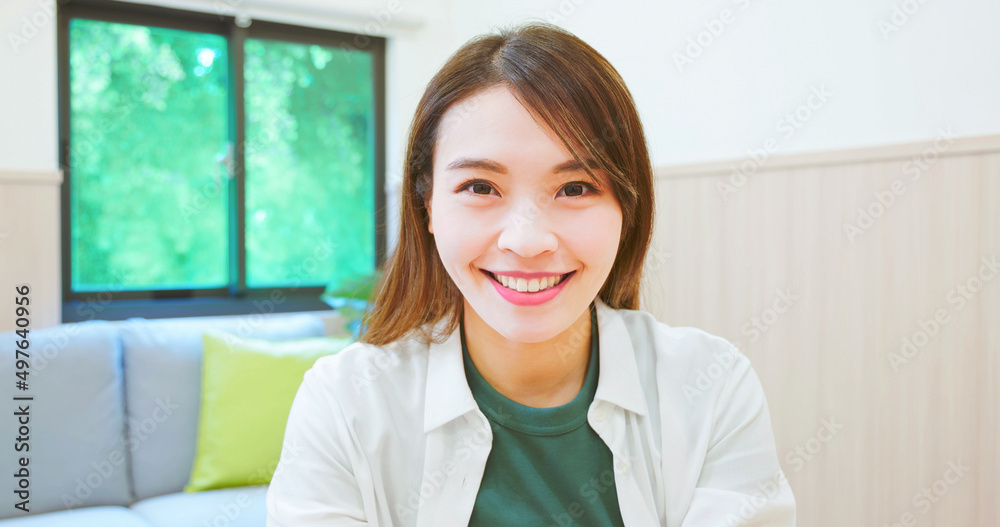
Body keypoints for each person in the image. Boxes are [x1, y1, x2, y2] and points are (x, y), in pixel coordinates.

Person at [266, 21, 795, 527]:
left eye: (575, 188)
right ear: (427, 206)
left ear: (626, 210)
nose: (525, 240)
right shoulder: (345, 404)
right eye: (480, 187)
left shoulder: (712, 388)